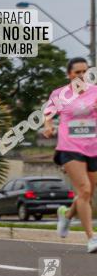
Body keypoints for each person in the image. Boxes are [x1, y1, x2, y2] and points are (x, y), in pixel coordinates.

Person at [44, 57, 97, 252]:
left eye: (84, 71)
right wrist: (48, 128)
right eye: (77, 72)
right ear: (69, 75)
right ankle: (91, 238)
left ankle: (66, 216)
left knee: (88, 193)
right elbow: (48, 114)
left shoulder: (95, 92)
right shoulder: (60, 94)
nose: (81, 75)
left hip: (93, 147)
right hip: (69, 147)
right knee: (84, 190)